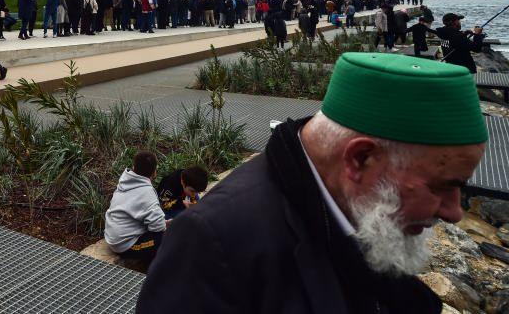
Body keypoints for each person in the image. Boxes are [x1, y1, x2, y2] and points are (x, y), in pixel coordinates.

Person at [137, 53, 487, 313]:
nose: (456, 212)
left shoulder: (349, 201)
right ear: (360, 159)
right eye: (442, 186)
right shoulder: (213, 242)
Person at [104, 151, 167, 265]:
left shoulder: (125, 182)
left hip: (113, 237)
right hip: (125, 245)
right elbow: (159, 227)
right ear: (154, 173)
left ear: (134, 167)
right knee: (166, 237)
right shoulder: (146, 192)